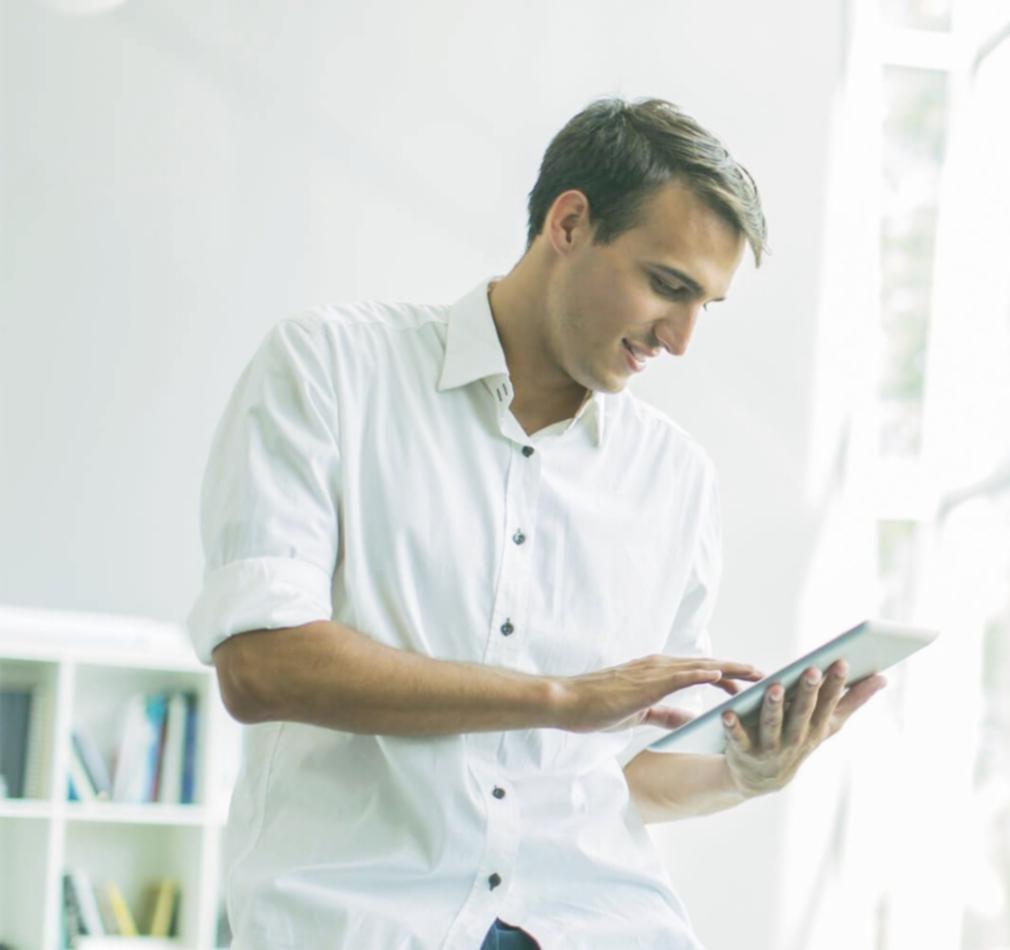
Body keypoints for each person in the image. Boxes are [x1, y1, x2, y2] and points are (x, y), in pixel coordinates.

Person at [186, 98, 888, 950]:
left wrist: (747, 774)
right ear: (568, 222)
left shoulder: (676, 481)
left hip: (600, 922)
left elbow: (617, 777)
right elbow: (264, 665)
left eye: (706, 303)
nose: (681, 338)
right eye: (668, 286)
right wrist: (561, 699)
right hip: (356, 919)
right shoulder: (330, 370)